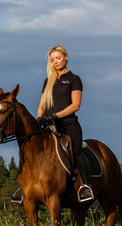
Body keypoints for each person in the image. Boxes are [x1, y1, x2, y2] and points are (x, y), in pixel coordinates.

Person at [37, 45, 94, 201]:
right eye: (53, 60)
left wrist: (55, 115)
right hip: (49, 126)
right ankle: (25, 188)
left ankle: (86, 186)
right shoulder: (47, 81)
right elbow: (41, 106)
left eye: (58, 58)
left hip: (68, 125)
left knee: (74, 150)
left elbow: (75, 105)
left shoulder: (74, 79)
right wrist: (40, 118)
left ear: (66, 57)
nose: (56, 62)